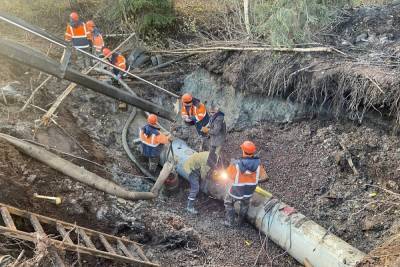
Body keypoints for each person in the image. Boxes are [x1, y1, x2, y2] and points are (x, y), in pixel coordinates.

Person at [223, 141, 267, 227]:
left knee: (228, 202)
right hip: (249, 191)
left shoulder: (236, 164)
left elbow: (227, 176)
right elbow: (264, 178)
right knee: (245, 205)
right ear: (253, 152)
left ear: (243, 150)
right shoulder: (259, 165)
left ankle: (230, 222)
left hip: (236, 191)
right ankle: (240, 223)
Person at [202, 102, 226, 169]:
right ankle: (209, 164)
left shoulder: (219, 119)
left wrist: (207, 130)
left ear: (216, 112)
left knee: (216, 153)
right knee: (211, 151)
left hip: (219, 138)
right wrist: (206, 127)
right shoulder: (214, 117)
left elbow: (215, 131)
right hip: (214, 138)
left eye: (212, 112)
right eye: (209, 112)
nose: (210, 114)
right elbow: (210, 123)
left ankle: (215, 168)